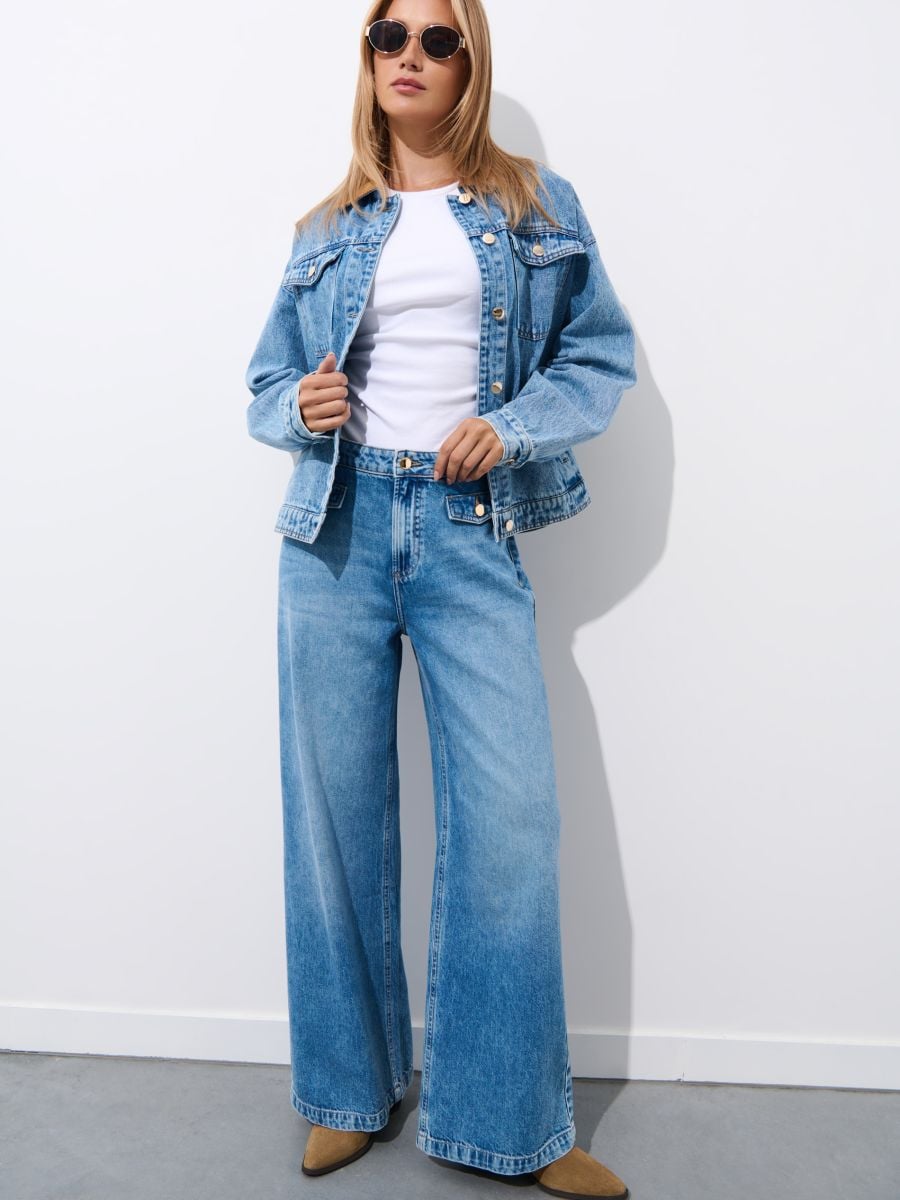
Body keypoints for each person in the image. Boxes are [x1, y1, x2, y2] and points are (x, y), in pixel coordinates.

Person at [244, 2, 636, 1196]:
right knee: (335, 822)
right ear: (367, 61)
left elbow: (598, 355)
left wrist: (510, 427)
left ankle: (513, 1120)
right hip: (337, 533)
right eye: (389, 36)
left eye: (438, 38)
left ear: (471, 62)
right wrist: (297, 407)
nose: (410, 55)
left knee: (511, 821)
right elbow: (265, 383)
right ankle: (347, 1092)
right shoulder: (328, 227)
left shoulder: (534, 206)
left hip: (469, 530)